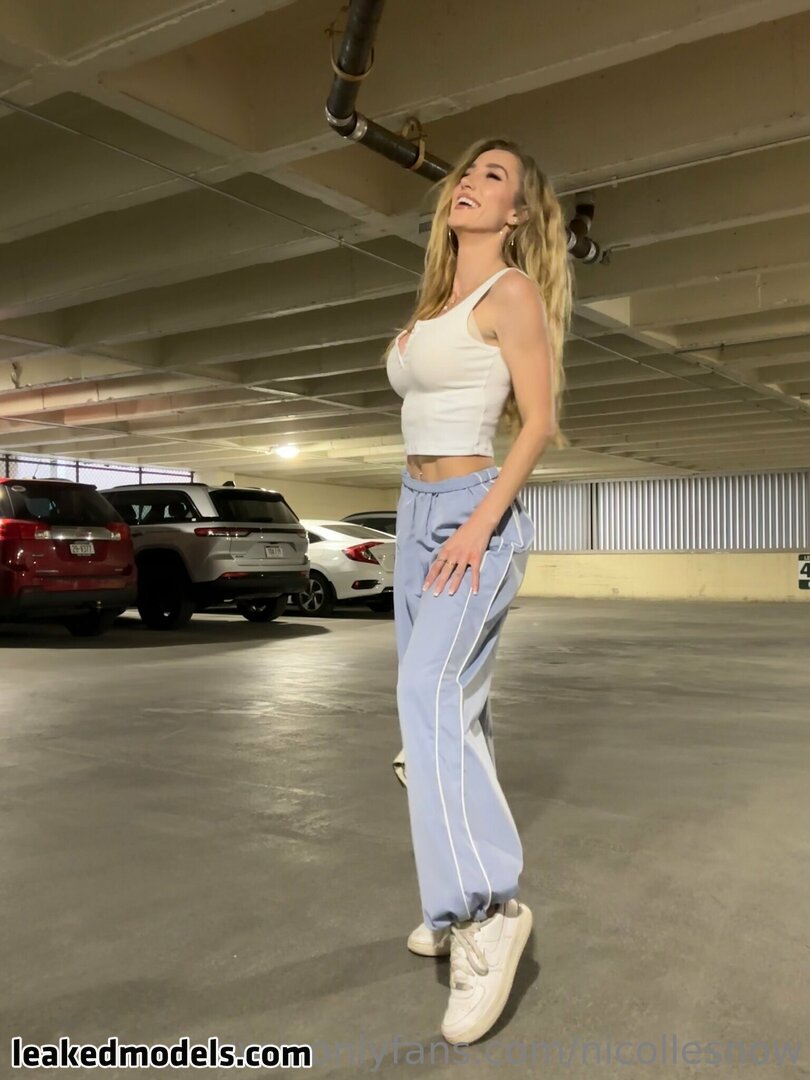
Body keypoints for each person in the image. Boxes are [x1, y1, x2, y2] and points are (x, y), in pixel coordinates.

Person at [384, 136, 573, 1045]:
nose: (469, 181)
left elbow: (538, 422)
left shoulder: (512, 293)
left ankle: (486, 912)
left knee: (427, 696)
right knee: (453, 713)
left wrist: (477, 524)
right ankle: (449, 896)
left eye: (493, 177)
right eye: (467, 171)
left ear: (518, 213)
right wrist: (425, 520)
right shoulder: (437, 302)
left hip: (472, 514)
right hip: (415, 510)